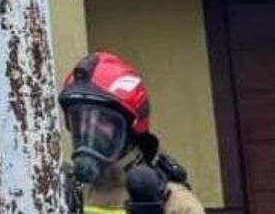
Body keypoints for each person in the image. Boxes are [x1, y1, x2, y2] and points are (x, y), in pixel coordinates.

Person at [59, 51, 204, 214]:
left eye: (103, 120)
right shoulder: (62, 194)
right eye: (80, 119)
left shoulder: (174, 203)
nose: (88, 130)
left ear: (131, 127)